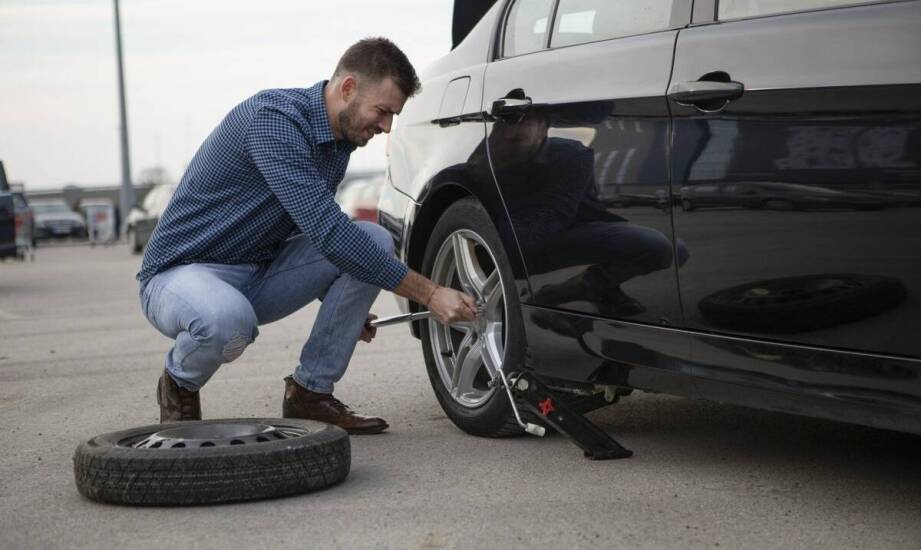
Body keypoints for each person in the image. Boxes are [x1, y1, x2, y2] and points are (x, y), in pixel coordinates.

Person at [137, 38, 477, 434]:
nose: (386, 127)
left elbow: (307, 228)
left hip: (258, 271)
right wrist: (431, 294)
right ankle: (179, 383)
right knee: (228, 322)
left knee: (375, 241)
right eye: (382, 111)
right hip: (181, 275)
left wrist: (342, 307)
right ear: (347, 88)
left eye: (392, 117)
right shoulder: (273, 121)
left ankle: (310, 394)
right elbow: (328, 232)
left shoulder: (337, 143)